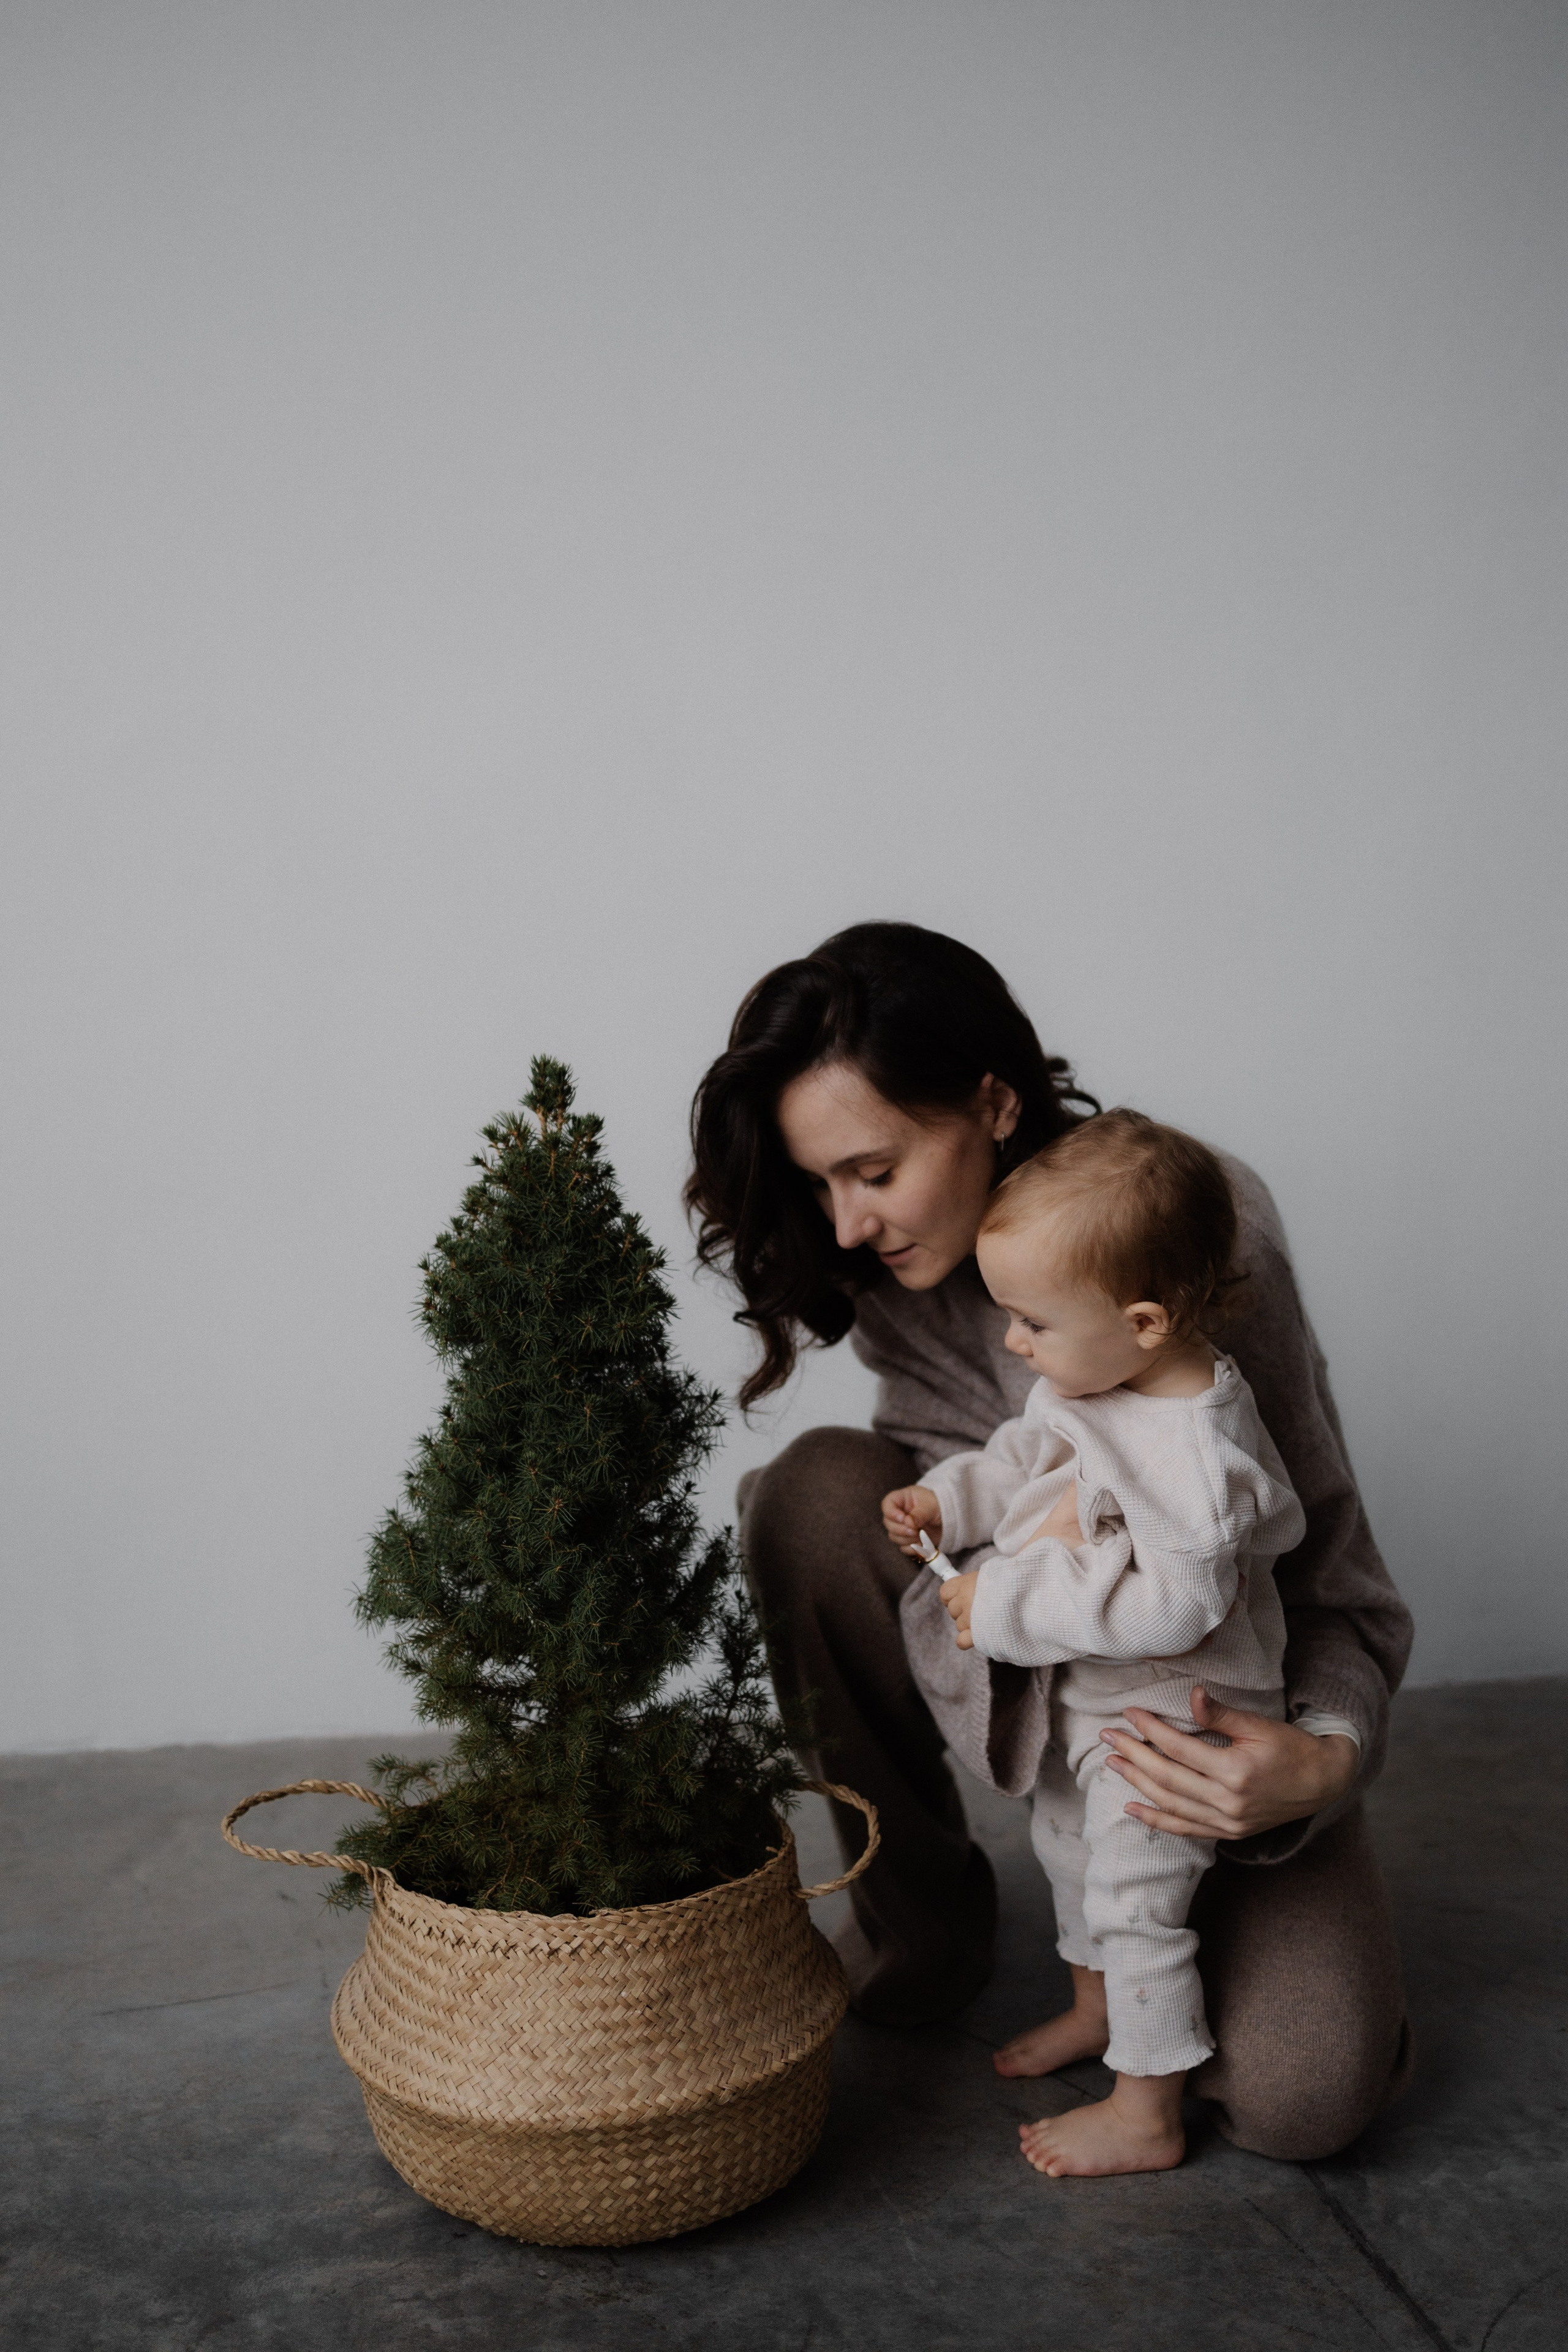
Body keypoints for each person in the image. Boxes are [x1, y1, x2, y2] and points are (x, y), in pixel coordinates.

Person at [686, 921, 1415, 2162]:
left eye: (871, 1170)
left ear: (992, 1099)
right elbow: (972, 1502)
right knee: (808, 1493)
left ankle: (1173, 1969)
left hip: (1215, 1705)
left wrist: (1323, 1759)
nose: (846, 1227)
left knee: (1306, 2100)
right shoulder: (896, 1277)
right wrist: (1008, 1572)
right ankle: (926, 1926)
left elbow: (1326, 1574)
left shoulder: (1196, 1241)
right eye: (818, 1186)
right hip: (1060, 1683)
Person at [883, 1110, 1306, 2176]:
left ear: (1148, 1318)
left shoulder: (1197, 1460)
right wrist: (947, 1501)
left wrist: (1012, 1607)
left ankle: (1146, 2111)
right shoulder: (1102, 1374)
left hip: (1176, 1725)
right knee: (1067, 1852)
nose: (1014, 1342)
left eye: (1031, 1323)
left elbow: (1176, 1611)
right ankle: (1093, 2010)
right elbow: (1025, 1448)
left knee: (1137, 1901)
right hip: (1100, 1697)